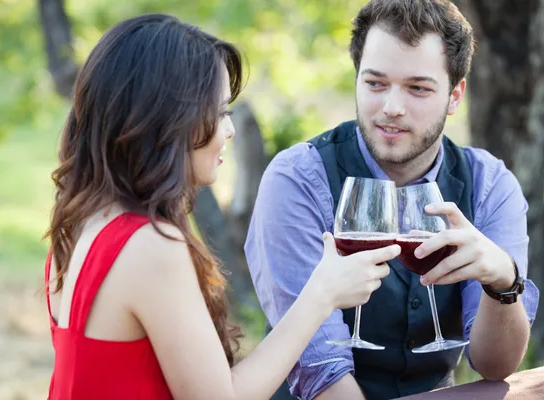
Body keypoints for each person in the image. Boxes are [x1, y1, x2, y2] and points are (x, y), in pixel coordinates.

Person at [42, 13, 403, 400]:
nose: (228, 129)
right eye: (219, 113)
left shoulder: (84, 225)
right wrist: (320, 295)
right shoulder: (150, 247)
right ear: (166, 121)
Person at [245, 1, 540, 399]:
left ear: (455, 96)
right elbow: (322, 374)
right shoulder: (299, 178)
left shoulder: (488, 184)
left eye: (417, 88)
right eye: (375, 84)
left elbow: (495, 365)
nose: (392, 108)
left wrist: (503, 282)